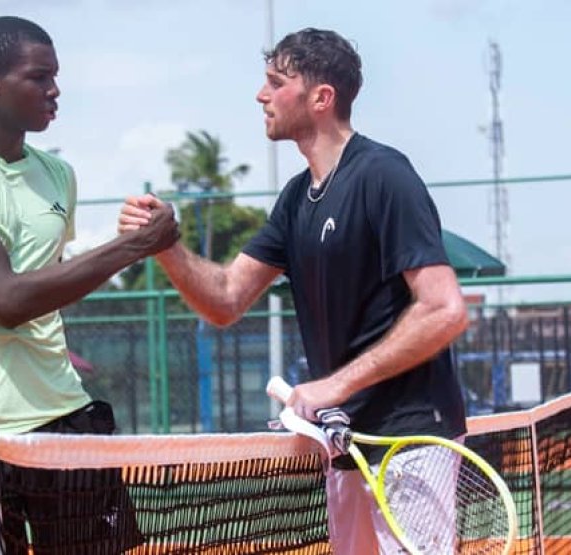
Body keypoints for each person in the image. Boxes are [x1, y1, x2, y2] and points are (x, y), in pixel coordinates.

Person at [119, 28, 469, 554]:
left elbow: (444, 309)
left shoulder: (384, 176)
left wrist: (334, 386)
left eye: (276, 83)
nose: (262, 95)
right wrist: (166, 243)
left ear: (320, 98)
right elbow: (226, 299)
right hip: (345, 443)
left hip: (412, 439)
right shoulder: (295, 199)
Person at [0, 15, 178, 553]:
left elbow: (50, 279)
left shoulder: (58, 175)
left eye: (55, 76)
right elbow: (7, 299)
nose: (55, 91)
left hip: (63, 419)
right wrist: (132, 248)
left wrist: (126, 237)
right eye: (39, 77)